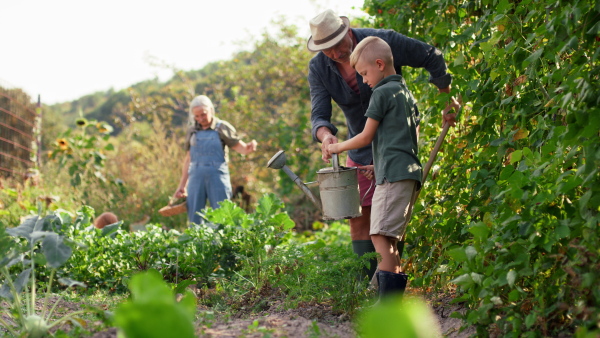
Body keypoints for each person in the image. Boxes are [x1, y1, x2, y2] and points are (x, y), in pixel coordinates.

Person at [306, 9, 456, 281]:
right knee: (361, 217)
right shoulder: (319, 67)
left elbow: (429, 56)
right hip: (360, 145)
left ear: (346, 33)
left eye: (338, 45)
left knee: (389, 218)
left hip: (396, 142)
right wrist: (326, 136)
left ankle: (390, 283)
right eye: (326, 49)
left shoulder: (380, 43)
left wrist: (446, 97)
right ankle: (368, 285)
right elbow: (319, 114)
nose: (335, 53)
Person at [173, 95, 257, 225]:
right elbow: (188, 159)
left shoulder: (222, 127)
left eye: (203, 114)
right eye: (197, 116)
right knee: (195, 216)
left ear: (211, 110)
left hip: (217, 176)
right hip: (196, 176)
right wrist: (182, 186)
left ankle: (224, 243)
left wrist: (249, 147)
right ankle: (196, 243)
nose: (200, 119)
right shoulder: (192, 130)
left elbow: (241, 148)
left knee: (223, 214)